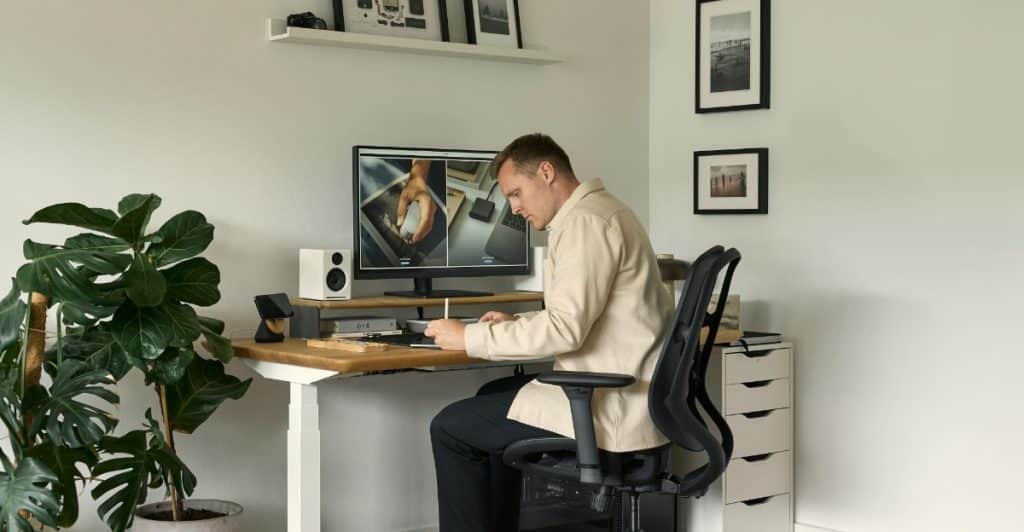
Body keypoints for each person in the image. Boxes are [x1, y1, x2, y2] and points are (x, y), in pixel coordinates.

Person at [424, 133, 675, 532]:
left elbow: (566, 330)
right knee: (489, 397)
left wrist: (468, 337)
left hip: (608, 405)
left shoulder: (585, 223)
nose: (514, 207)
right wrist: (516, 325)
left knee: (450, 428)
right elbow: (581, 316)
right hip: (628, 391)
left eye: (516, 193)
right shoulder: (604, 211)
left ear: (546, 172)